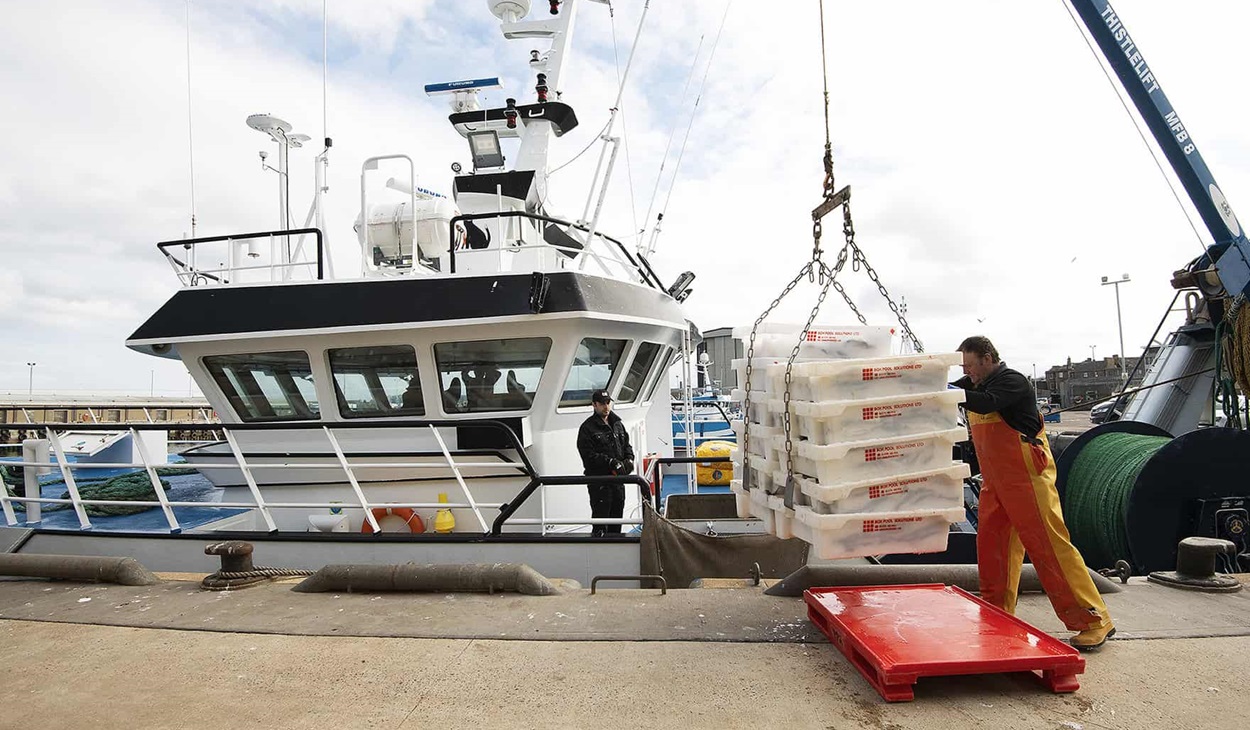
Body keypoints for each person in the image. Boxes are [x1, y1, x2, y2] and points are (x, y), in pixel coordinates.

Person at [954, 336, 1116, 651]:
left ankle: (1093, 619)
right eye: (965, 368)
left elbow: (985, 403)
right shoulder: (972, 383)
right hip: (995, 483)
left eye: (971, 366)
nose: (968, 372)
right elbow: (957, 389)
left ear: (988, 359)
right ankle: (996, 614)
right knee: (993, 548)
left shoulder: (1010, 382)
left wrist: (948, 392)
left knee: (1049, 548)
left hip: (1027, 478)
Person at [576, 389, 634, 537]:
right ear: (594, 405)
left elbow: (626, 444)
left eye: (608, 403)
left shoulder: (618, 424)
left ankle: (615, 554)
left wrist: (629, 459)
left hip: (618, 482)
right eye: (602, 404)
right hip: (600, 484)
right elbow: (588, 456)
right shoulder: (587, 428)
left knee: (616, 521)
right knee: (601, 523)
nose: (606, 407)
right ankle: (599, 553)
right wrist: (610, 462)